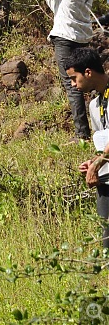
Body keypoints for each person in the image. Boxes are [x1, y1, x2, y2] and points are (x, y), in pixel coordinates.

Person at [26, 0, 95, 140]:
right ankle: (98, 129)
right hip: (82, 36)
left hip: (65, 38)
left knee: (72, 84)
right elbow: (59, 8)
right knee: (87, 82)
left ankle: (81, 134)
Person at [65, 47, 109, 247]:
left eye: (74, 78)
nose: (73, 85)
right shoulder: (93, 105)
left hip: (101, 170)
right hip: (106, 179)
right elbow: (104, 142)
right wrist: (94, 161)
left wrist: (96, 165)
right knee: (106, 242)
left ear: (88, 72)